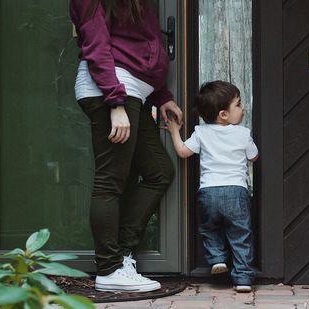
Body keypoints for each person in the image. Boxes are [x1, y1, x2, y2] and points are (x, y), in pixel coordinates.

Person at [69, 0, 183, 293]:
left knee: (159, 171)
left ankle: (122, 256)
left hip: (132, 92)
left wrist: (161, 95)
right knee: (111, 181)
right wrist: (115, 102)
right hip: (112, 91)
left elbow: (145, 46)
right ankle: (108, 269)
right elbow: (96, 44)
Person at [164, 80, 258, 292]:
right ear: (224, 114)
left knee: (209, 228)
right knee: (240, 234)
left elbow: (183, 152)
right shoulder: (243, 134)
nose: (242, 109)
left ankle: (217, 258)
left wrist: (173, 131)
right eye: (239, 105)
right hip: (236, 191)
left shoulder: (201, 132)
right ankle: (242, 278)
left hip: (209, 192)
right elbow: (254, 156)